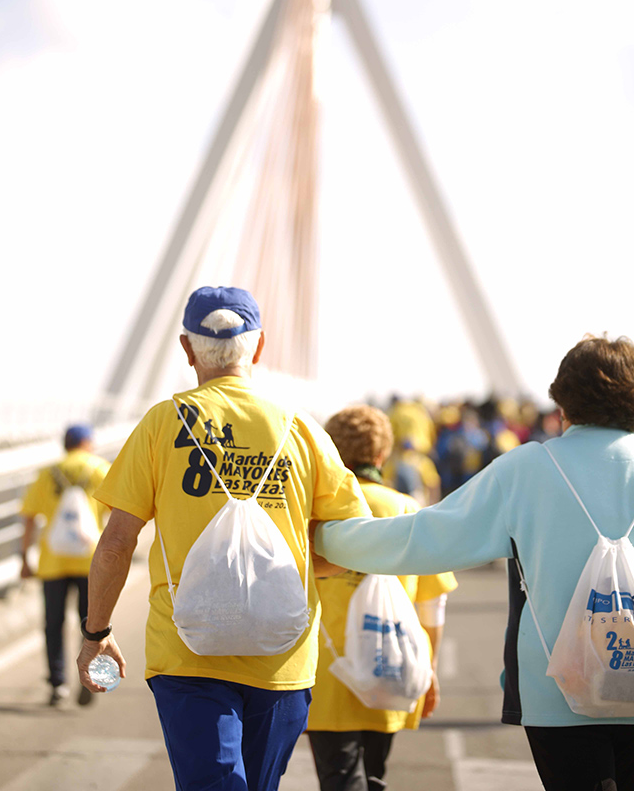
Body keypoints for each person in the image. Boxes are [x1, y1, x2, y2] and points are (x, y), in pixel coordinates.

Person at [77, 285, 372, 791]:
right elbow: (352, 547)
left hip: (188, 650)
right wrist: (280, 572)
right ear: (257, 348)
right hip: (283, 654)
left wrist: (95, 633)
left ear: (187, 348)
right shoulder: (301, 429)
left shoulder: (162, 423)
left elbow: (116, 544)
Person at [315, 336, 634, 791]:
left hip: (557, 688)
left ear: (562, 401)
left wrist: (322, 537)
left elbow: (423, 538)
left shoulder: (531, 468)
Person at [308, 404, 457, 791]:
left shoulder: (316, 511)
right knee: (373, 774)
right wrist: (431, 666)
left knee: (339, 777)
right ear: (381, 455)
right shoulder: (407, 510)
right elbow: (432, 603)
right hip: (390, 664)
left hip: (326, 673)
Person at [20, 424, 109, 706]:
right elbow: (120, 514)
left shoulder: (48, 472)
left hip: (52, 560)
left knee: (53, 624)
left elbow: (29, 518)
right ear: (87, 442)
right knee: (92, 624)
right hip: (90, 561)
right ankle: (90, 677)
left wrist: (24, 557)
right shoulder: (99, 469)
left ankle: (57, 684)